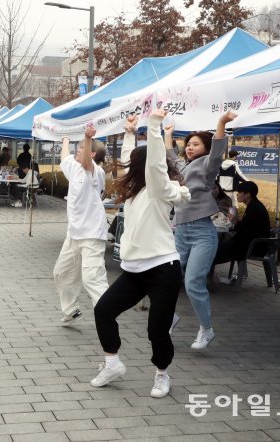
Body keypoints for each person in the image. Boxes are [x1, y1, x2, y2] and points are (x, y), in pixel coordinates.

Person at [91, 110, 190, 398]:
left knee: (156, 329)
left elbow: (157, 165)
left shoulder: (160, 189)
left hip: (162, 268)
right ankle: (112, 364)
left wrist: (155, 126)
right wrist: (130, 134)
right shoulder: (134, 189)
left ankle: (162, 374)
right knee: (103, 310)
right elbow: (130, 163)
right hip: (134, 271)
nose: (129, 167)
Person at [167, 111, 237, 350]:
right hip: (181, 232)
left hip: (202, 233)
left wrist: (220, 123)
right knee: (167, 279)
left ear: (205, 148)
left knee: (193, 283)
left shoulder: (208, 166)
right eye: (188, 144)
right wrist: (167, 135)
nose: (189, 147)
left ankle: (206, 330)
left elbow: (218, 150)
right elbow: (170, 159)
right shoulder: (183, 168)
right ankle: (170, 317)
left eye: (195, 144)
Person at [52, 127, 108, 326]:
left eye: (83, 148)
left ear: (92, 154)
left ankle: (108, 314)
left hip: (92, 235)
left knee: (92, 278)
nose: (78, 150)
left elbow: (85, 161)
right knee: (61, 272)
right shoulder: (74, 168)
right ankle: (71, 310)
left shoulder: (96, 171)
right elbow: (65, 157)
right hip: (74, 235)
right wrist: (65, 138)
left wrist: (87, 136)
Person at [214, 181, 271, 265]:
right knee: (214, 249)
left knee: (212, 252)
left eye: (239, 192)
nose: (237, 194)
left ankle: (207, 276)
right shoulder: (254, 205)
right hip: (249, 243)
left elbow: (246, 230)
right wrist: (237, 220)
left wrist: (235, 221)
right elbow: (248, 226)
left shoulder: (254, 208)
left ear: (247, 195)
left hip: (252, 246)